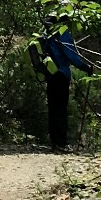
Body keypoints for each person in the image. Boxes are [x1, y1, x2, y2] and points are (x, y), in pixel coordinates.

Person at [30, 23, 93, 151]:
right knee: (60, 109)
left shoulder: (47, 33)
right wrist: (86, 68)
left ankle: (54, 142)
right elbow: (72, 56)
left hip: (50, 73)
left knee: (53, 108)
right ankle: (62, 143)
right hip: (61, 74)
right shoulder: (62, 33)